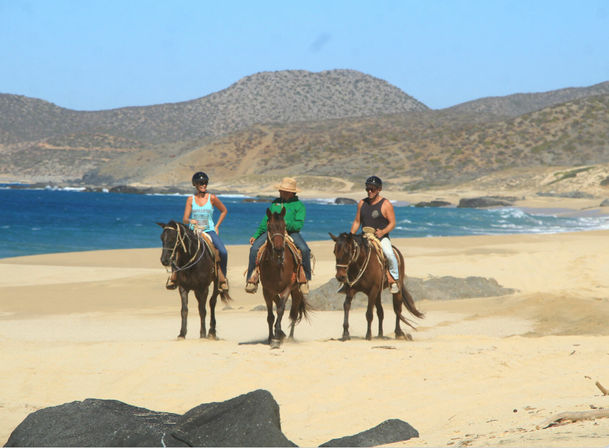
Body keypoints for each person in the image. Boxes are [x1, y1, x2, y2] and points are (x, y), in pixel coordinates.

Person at [245, 177, 311, 295]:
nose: (280, 192)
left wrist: (284, 224)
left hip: (291, 232)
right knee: (254, 248)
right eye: (280, 190)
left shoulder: (299, 206)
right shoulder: (275, 202)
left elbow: (298, 224)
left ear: (290, 192)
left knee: (305, 250)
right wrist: (256, 235)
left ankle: (304, 279)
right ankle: (251, 279)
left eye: (283, 190)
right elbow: (266, 220)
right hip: (273, 231)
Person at [166, 171, 229, 291]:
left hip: (208, 231)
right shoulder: (190, 199)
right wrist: (190, 220)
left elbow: (224, 211)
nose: (204, 185)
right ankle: (174, 276)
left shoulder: (212, 198)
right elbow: (184, 219)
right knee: (177, 248)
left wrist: (217, 226)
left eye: (205, 183)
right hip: (193, 232)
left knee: (223, 252)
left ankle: (222, 279)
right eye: (201, 183)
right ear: (195, 184)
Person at [349, 175, 400, 294]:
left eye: (373, 189)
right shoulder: (362, 203)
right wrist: (350, 236)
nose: (369, 191)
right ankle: (348, 281)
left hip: (380, 237)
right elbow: (357, 221)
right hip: (364, 236)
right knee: (351, 253)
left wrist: (382, 232)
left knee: (389, 253)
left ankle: (394, 279)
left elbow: (392, 223)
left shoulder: (386, 204)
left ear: (379, 189)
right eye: (367, 189)